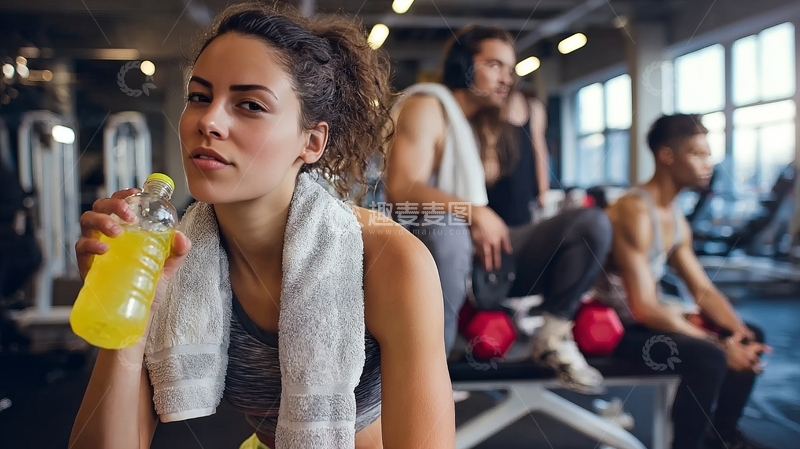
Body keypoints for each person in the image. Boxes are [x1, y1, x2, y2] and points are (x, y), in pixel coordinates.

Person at [68, 4, 454, 449]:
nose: (208, 121)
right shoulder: (166, 254)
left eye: (250, 105)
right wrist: (128, 309)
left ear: (312, 141)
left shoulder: (390, 261)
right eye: (199, 96)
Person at [384, 26, 612, 392]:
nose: (507, 77)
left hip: (485, 262)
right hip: (428, 252)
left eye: (511, 68)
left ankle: (552, 336)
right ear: (463, 65)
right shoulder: (427, 107)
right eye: (494, 65)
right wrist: (475, 213)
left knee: (592, 223)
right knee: (448, 229)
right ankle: (428, 373)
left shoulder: (484, 124)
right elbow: (402, 188)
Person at [595, 114, 772, 449]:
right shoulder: (634, 210)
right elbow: (645, 308)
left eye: (708, 154)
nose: (708, 164)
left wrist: (738, 335)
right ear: (667, 156)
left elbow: (702, 288)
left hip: (646, 322)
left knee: (751, 334)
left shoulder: (674, 217)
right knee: (709, 356)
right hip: (616, 331)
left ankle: (722, 436)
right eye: (698, 154)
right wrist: (720, 346)